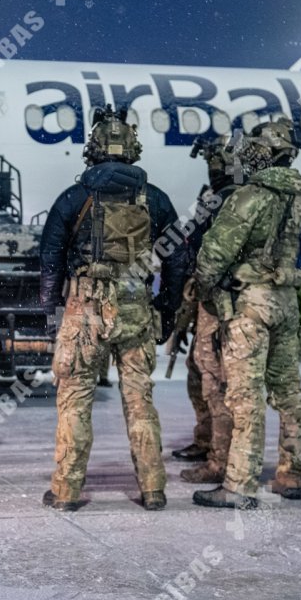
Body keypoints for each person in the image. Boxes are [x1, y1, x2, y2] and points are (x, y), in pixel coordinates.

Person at [37, 105, 187, 512]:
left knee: (75, 399)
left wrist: (52, 310)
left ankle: (66, 491)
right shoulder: (154, 199)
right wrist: (167, 309)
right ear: (132, 148)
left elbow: (50, 257)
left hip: (84, 310)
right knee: (140, 401)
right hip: (136, 307)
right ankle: (153, 488)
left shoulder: (74, 197)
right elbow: (177, 259)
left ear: (94, 148)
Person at [191, 118, 301, 510]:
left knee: (246, 399)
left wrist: (208, 286)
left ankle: (240, 485)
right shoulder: (298, 199)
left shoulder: (250, 196)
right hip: (286, 303)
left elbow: (213, 255)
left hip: (250, 307)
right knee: (289, 392)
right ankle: (290, 475)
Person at [176, 132, 243, 485]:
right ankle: (207, 441)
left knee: (215, 378)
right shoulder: (214, 198)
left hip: (218, 301)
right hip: (203, 296)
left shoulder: (234, 201)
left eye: (216, 162)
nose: (212, 169)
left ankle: (222, 456)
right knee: (198, 371)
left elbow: (215, 252)